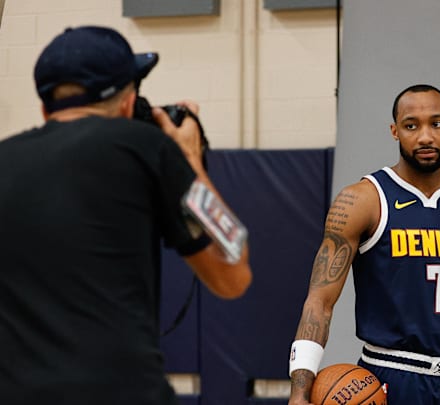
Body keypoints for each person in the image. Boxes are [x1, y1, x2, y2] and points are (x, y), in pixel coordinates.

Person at [0, 26, 252, 404]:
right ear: (127, 102)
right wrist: (189, 159)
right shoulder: (148, 148)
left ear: (44, 107)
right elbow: (233, 269)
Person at [288, 84, 440, 404]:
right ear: (395, 131)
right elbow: (319, 303)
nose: (426, 137)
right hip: (391, 379)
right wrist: (299, 390)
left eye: (437, 123)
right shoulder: (363, 200)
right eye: (411, 125)